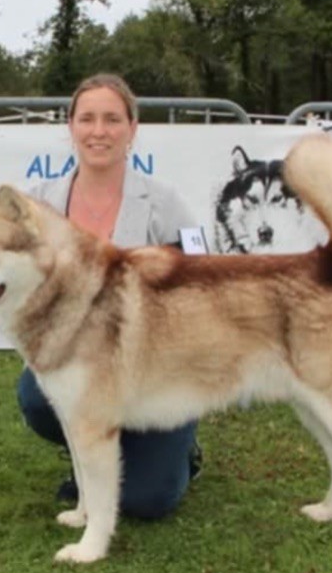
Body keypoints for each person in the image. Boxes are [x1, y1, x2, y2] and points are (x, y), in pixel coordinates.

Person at [17, 73, 202, 520]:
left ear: (132, 129)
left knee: (146, 502)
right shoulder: (37, 205)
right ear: (71, 126)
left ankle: (180, 450)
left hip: (156, 375)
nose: (99, 131)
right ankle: (94, 455)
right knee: (36, 397)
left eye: (112, 120)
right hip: (72, 361)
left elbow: (199, 285)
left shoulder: (167, 203)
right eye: (87, 119)